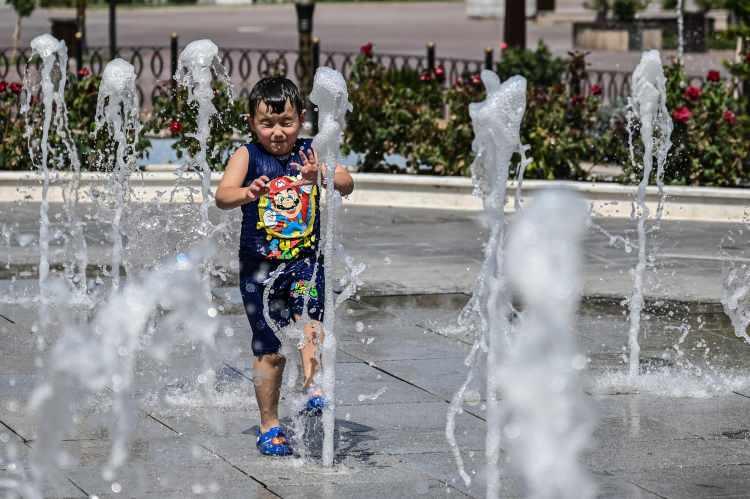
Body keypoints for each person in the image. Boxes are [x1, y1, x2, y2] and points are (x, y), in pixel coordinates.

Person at [215, 76, 354, 456]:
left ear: (302, 119)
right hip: (259, 268)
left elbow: (347, 182)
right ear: (252, 123)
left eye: (286, 123)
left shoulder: (312, 153)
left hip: (304, 262)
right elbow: (222, 196)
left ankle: (312, 387)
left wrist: (320, 176)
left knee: (311, 322)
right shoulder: (247, 156)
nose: (277, 132)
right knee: (269, 348)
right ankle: (269, 424)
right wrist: (247, 192)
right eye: (267, 124)